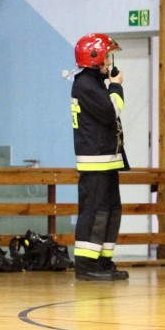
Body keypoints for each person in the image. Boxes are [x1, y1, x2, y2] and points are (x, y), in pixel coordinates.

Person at [69, 33, 129, 281]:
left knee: (111, 210)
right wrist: (117, 86)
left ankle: (102, 261)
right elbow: (110, 111)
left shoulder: (93, 84)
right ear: (92, 59)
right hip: (95, 162)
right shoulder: (85, 85)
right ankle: (86, 265)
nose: (108, 63)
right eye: (104, 58)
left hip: (106, 160)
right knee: (94, 212)